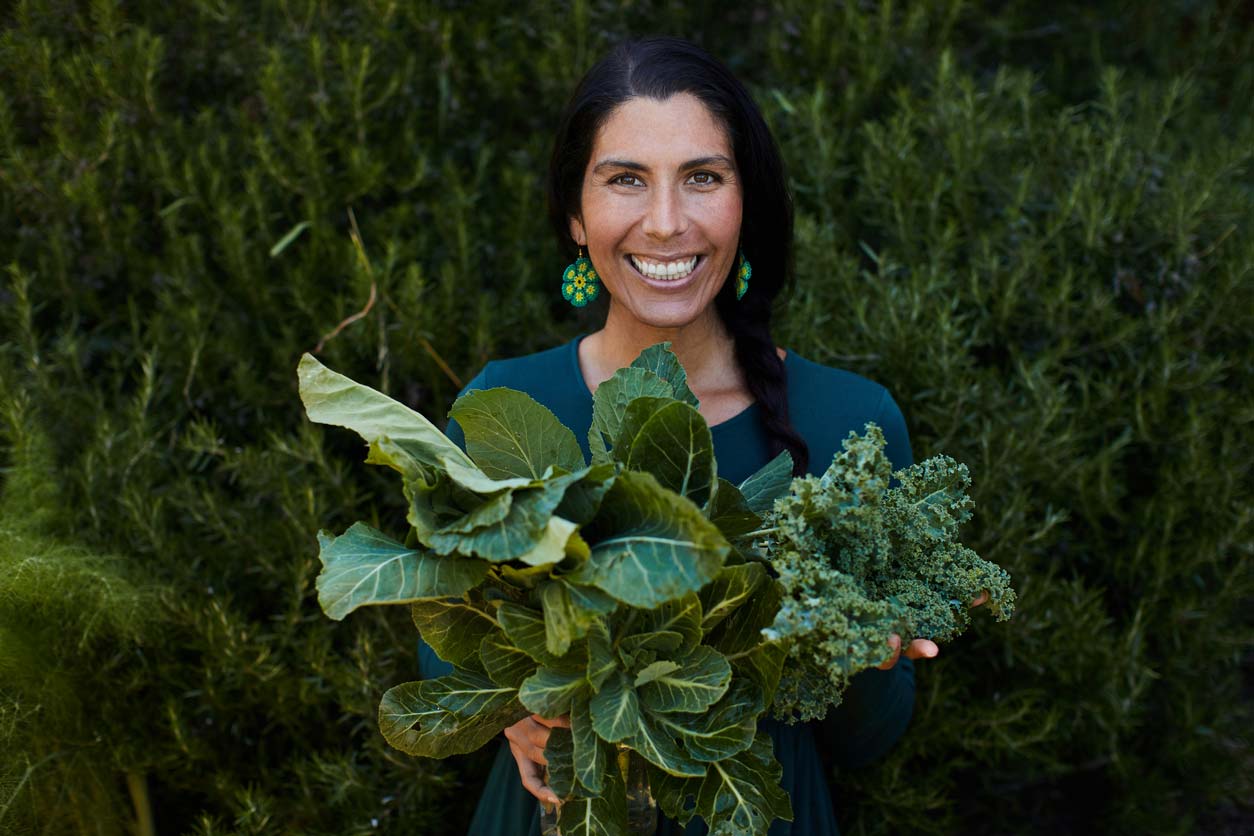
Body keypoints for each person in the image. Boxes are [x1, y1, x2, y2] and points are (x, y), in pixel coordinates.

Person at [420, 36, 986, 835]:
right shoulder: (504, 404)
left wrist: (867, 652)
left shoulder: (847, 422)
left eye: (703, 178)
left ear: (743, 201)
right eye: (625, 180)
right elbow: (444, 655)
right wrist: (512, 711)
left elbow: (866, 742)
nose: (665, 222)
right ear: (576, 216)